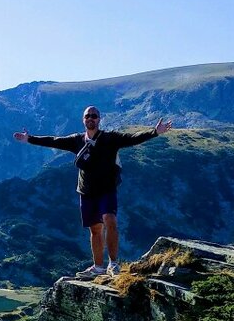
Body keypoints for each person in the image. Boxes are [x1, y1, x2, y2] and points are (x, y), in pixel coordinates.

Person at [14, 106, 172, 277]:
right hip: (86, 191)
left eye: (94, 116)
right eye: (87, 116)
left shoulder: (110, 138)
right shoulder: (76, 140)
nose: (91, 118)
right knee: (95, 229)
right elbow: (54, 140)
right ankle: (98, 267)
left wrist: (154, 132)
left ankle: (113, 264)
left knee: (110, 220)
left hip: (107, 189)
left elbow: (132, 139)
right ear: (83, 119)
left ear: (99, 119)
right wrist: (29, 139)